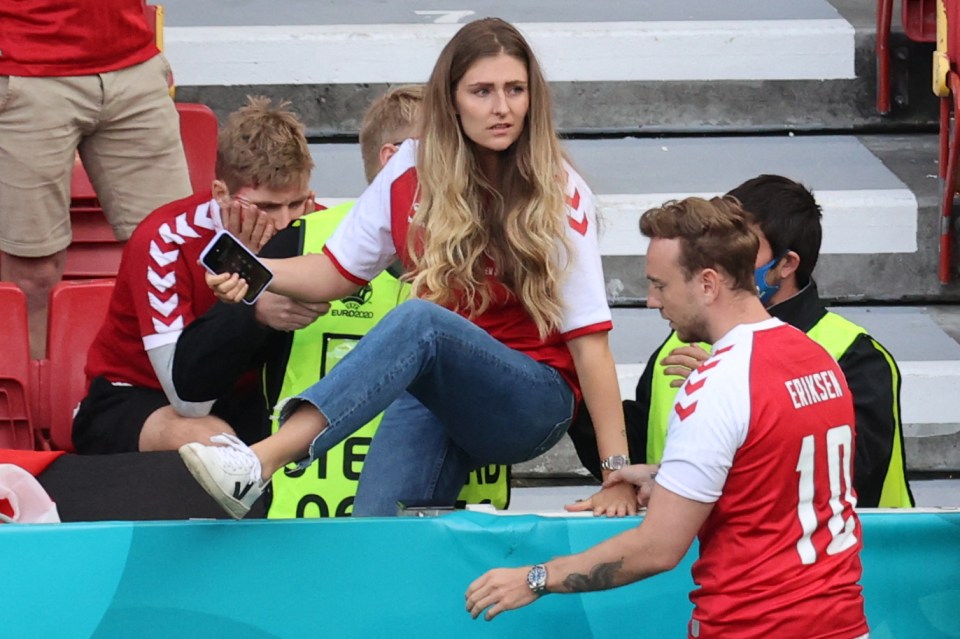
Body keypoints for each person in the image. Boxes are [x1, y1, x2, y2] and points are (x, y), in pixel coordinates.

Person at [178, 17, 634, 520]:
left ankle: (260, 461)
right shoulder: (407, 168)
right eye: (482, 91)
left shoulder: (557, 187)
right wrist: (256, 272)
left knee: (422, 320)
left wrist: (616, 473)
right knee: (378, 534)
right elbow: (332, 274)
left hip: (532, 401)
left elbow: (590, 342)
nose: (502, 107)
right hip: (441, 389)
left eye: (515, 89)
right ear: (451, 101)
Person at [466, 196, 869, 639]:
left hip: (753, 626)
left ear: (708, 284)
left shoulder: (719, 382)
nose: (651, 301)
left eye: (660, 285)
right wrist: (667, 475)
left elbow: (657, 548)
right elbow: (774, 466)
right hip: (842, 624)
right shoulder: (818, 358)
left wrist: (534, 578)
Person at [172, 84, 508, 517]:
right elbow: (191, 379)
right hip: (311, 521)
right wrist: (256, 316)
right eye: (457, 151)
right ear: (396, 158)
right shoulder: (306, 239)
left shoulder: (496, 248)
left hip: (461, 516)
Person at [568, 174, 914, 508]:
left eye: (745, 247)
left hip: (855, 561)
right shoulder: (682, 339)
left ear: (787, 264)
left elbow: (842, 479)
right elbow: (646, 447)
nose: (727, 256)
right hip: (693, 556)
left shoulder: (853, 353)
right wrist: (571, 388)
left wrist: (738, 391)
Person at [72, 96, 319, 454]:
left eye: (296, 204)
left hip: (257, 396)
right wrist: (253, 304)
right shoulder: (165, 238)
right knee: (215, 446)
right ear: (220, 193)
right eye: (265, 207)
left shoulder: (317, 224)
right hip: (140, 396)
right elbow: (188, 401)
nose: (283, 222)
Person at [0, 0, 192, 359]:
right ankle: (31, 408)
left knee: (175, 250)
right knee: (32, 273)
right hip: (25, 67)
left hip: (131, 60)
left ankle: (160, 400)